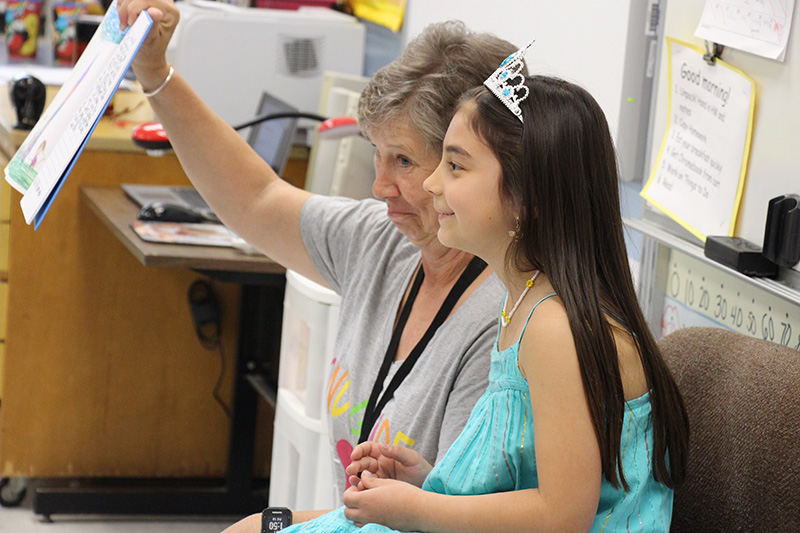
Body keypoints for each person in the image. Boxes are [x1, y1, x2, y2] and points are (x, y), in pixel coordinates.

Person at [116, 0, 525, 524]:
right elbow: (255, 199)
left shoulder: (505, 322)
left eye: (403, 161)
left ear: (467, 163)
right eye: (376, 155)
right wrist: (155, 74)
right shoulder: (388, 242)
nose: (380, 188)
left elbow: (447, 521)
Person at [258, 43, 690, 532]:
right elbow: (522, 476)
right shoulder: (523, 304)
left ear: (528, 197)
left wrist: (418, 509)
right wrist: (431, 482)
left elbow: (563, 515)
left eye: (456, 166)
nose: (434, 184)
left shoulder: (554, 328)